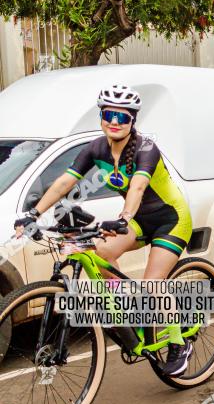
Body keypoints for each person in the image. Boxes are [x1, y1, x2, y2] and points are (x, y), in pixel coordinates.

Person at [14, 85, 194, 376]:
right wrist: (34, 214)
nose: (115, 122)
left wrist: (122, 218)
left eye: (122, 117)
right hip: (138, 220)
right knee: (101, 252)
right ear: (101, 117)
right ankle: (126, 306)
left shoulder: (147, 149)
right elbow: (63, 183)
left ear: (133, 121)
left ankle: (178, 342)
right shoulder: (96, 149)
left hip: (170, 219)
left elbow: (137, 187)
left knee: (153, 286)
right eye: (109, 114)